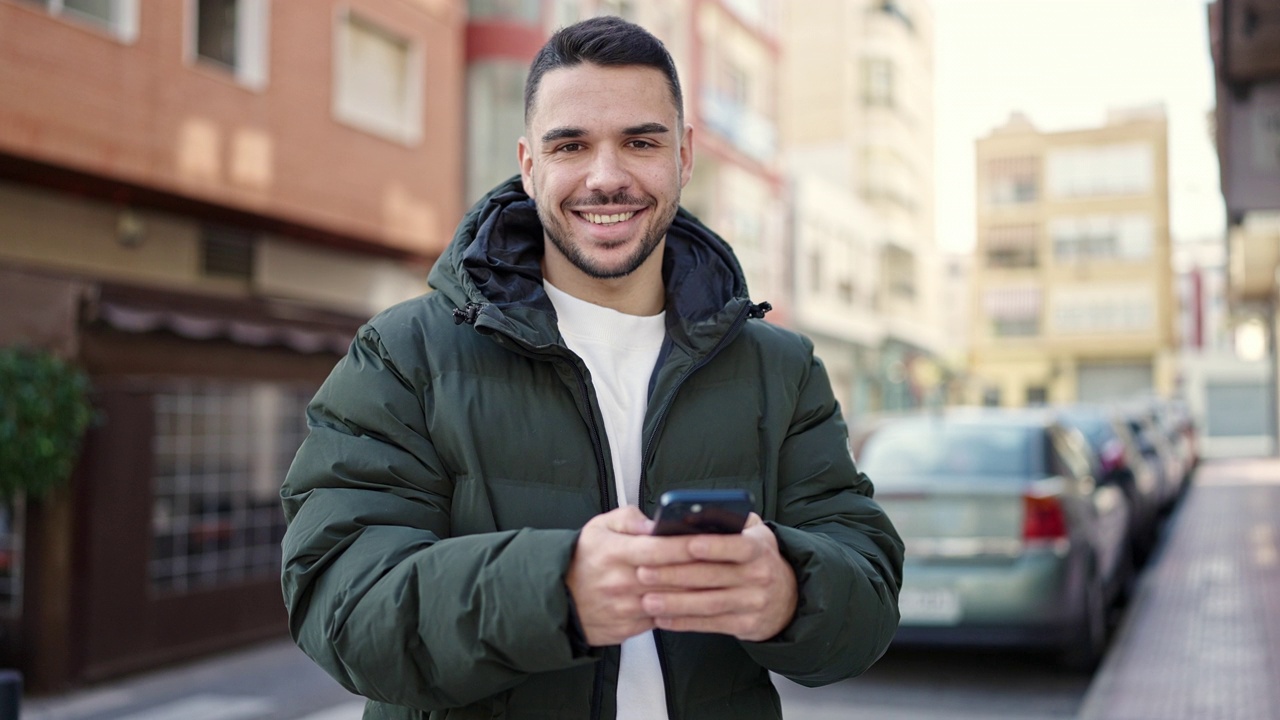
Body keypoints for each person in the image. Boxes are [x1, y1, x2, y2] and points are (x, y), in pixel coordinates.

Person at [281, 15, 903, 720]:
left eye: (640, 142)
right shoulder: (403, 356)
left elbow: (870, 596)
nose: (606, 178)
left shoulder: (780, 369)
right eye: (571, 145)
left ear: (684, 158)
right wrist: (555, 592)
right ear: (528, 164)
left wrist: (792, 590)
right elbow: (339, 603)